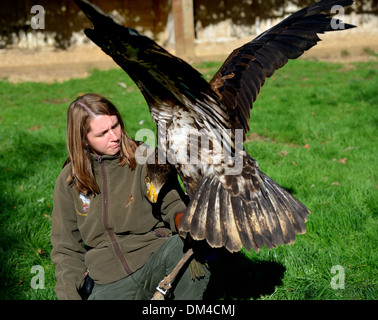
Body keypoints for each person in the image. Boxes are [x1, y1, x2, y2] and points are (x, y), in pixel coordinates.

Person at [50, 93, 210, 300]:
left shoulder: (145, 158)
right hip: (109, 280)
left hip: (154, 258)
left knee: (185, 251)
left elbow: (174, 207)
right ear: (83, 139)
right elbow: (66, 249)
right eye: (102, 134)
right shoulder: (69, 180)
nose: (114, 136)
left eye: (115, 126)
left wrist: (187, 226)